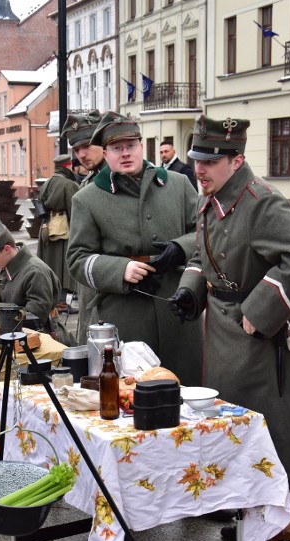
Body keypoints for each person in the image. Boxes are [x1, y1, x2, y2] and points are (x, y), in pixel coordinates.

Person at [167, 115, 290, 541]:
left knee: (268, 433)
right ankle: (247, 517)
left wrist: (259, 314)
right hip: (223, 334)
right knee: (236, 434)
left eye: (210, 160)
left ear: (236, 159)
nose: (199, 169)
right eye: (197, 159)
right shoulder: (216, 198)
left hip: (263, 340)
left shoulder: (261, 202)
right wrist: (189, 291)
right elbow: (204, 254)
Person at [66, 111, 203, 384]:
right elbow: (77, 259)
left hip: (178, 310)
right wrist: (120, 269)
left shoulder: (177, 185)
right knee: (133, 397)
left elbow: (205, 231)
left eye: (131, 146)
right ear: (105, 153)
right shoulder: (87, 199)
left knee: (186, 391)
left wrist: (180, 247)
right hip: (124, 315)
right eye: (117, 148)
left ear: (142, 147)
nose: (125, 153)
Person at [0, 216, 72, 343]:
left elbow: (34, 316)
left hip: (42, 338)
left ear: (7, 249)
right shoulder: (10, 264)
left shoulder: (35, 272)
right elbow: (3, 292)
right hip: (16, 333)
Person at [60, 110, 104, 344]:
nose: (81, 154)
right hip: (89, 283)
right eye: (76, 149)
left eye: (86, 145)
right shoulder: (88, 182)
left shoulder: (118, 182)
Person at [36, 154, 79, 309]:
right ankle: (61, 302)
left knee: (49, 265)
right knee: (63, 266)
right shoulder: (68, 184)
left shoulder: (47, 183)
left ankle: (54, 301)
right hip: (62, 230)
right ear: (68, 167)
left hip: (47, 227)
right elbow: (76, 211)